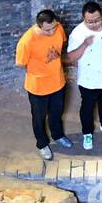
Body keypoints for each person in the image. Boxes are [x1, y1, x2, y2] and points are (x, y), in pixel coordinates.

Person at [65, 1, 102, 150]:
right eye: (90, 22)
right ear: (84, 18)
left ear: (101, 15)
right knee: (87, 107)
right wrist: (84, 45)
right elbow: (72, 57)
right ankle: (87, 133)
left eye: (97, 20)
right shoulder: (78, 33)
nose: (94, 24)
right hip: (88, 79)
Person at [15, 9, 74, 160]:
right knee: (39, 118)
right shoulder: (26, 41)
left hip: (58, 82)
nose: (52, 31)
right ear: (39, 26)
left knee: (56, 113)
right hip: (38, 87)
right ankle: (42, 144)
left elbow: (62, 44)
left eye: (54, 27)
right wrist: (39, 69)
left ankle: (58, 135)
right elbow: (21, 64)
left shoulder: (59, 28)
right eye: (48, 29)